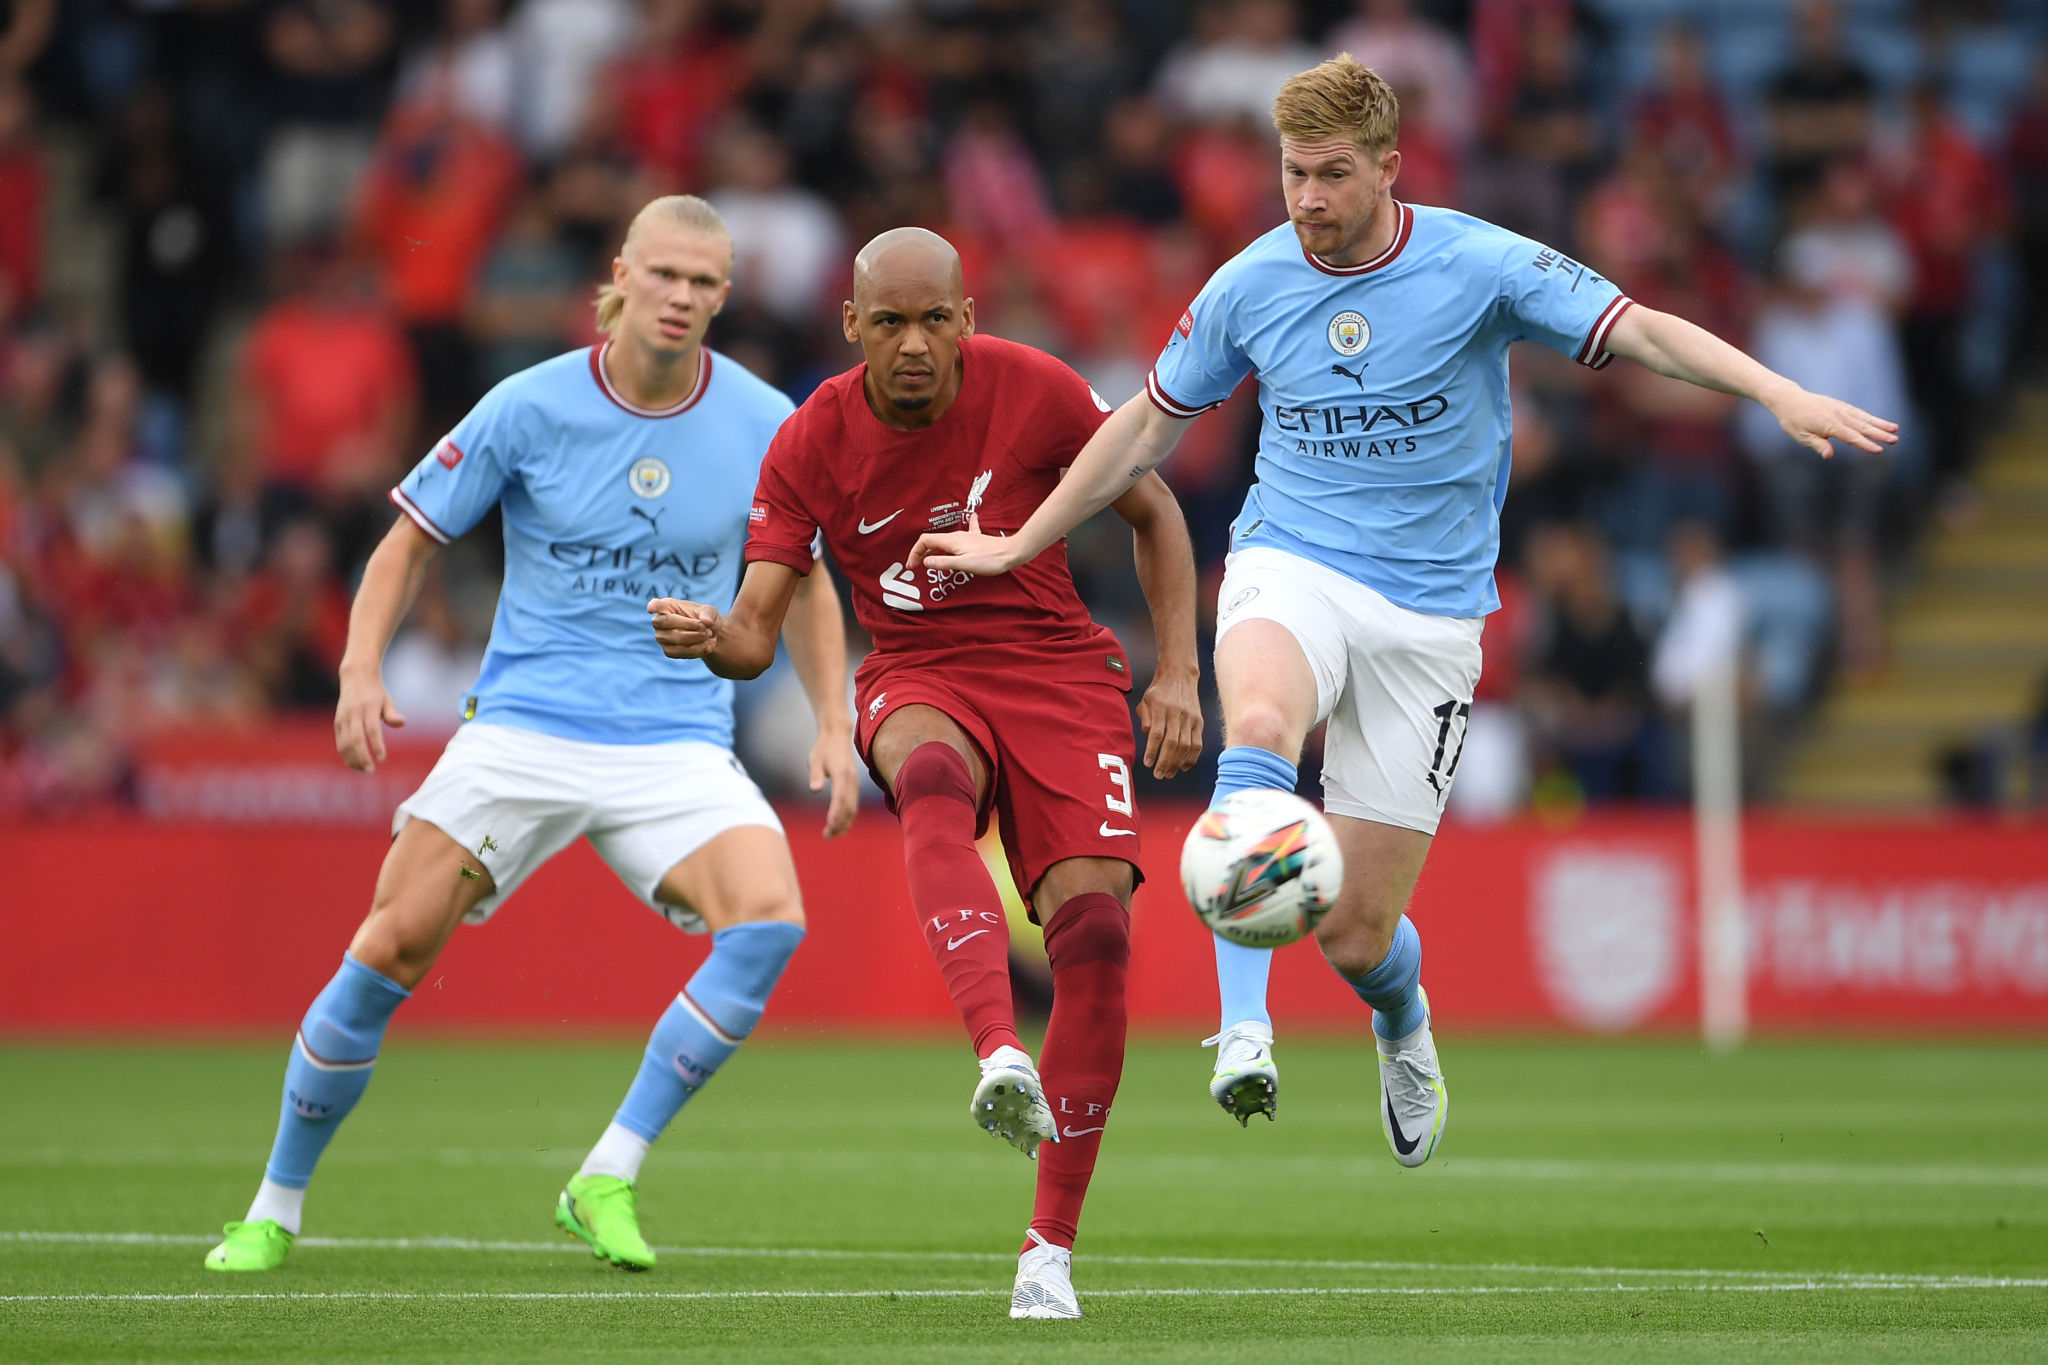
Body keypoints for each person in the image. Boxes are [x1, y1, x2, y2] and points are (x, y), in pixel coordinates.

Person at [912, 55, 1896, 1164]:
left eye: (1332, 175)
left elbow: (1640, 332)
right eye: (1291, 175)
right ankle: (1243, 1028)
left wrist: (1773, 390)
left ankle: (1401, 1019)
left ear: (1389, 165)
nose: (1308, 200)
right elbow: (1145, 426)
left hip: (1428, 618)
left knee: (1354, 930)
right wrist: (1020, 541)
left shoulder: (1479, 263)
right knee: (1263, 731)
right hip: (1292, 564)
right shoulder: (1248, 284)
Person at [203, 195, 860, 1274]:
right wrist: (360, 669)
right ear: (622, 274)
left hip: (676, 742)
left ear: (724, 297)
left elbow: (809, 582)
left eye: (704, 284)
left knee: (770, 922)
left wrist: (832, 720)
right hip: (524, 728)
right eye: (665, 277)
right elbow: (404, 544)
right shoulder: (529, 406)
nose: (682, 300)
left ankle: (605, 1171)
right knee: (387, 948)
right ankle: (274, 1207)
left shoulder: (763, 422)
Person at [648, 227, 1202, 1319]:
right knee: (930, 774)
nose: (912, 343)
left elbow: (1155, 512)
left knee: (1093, 937)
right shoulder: (810, 440)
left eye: (932, 319)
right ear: (851, 327)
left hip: (1054, 671)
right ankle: (999, 1050)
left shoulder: (1035, 391)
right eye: (887, 321)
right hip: (918, 667)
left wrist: (1178, 670)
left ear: (967, 321)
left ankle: (1047, 1255)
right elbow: (756, 635)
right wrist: (706, 635)